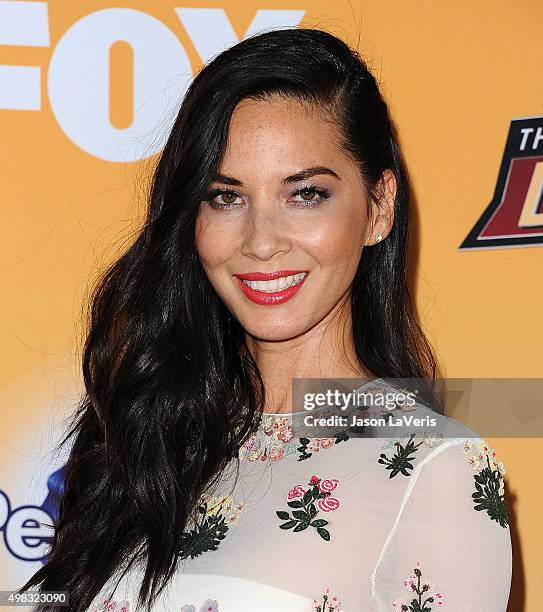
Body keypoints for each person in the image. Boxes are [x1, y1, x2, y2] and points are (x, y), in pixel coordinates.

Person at [17, 27, 512, 612]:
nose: (260, 242)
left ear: (378, 207)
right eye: (226, 197)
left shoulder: (437, 469)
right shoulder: (142, 438)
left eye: (305, 194)